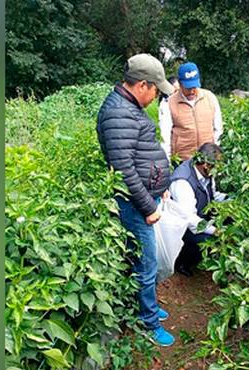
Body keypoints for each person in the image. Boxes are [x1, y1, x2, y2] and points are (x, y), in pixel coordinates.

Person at [96, 53, 178, 347]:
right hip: (135, 205)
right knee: (146, 265)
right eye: (156, 89)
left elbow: (139, 155)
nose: (157, 95)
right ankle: (148, 322)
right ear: (142, 85)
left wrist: (160, 184)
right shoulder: (119, 113)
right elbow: (124, 170)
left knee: (147, 262)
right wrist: (148, 206)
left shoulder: (127, 107)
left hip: (143, 199)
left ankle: (149, 308)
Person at [168, 143, 228, 277]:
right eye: (217, 165)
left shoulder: (205, 173)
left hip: (198, 215)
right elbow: (191, 221)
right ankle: (182, 262)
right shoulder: (183, 182)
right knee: (204, 240)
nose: (219, 170)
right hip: (183, 226)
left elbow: (212, 195)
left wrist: (230, 200)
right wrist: (216, 231)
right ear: (206, 165)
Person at [159, 62, 223, 161]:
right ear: (180, 84)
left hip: (207, 160)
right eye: (188, 88)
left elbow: (218, 128)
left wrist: (214, 151)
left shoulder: (210, 98)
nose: (192, 91)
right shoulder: (169, 103)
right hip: (182, 160)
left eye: (194, 87)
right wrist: (166, 162)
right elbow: (165, 137)